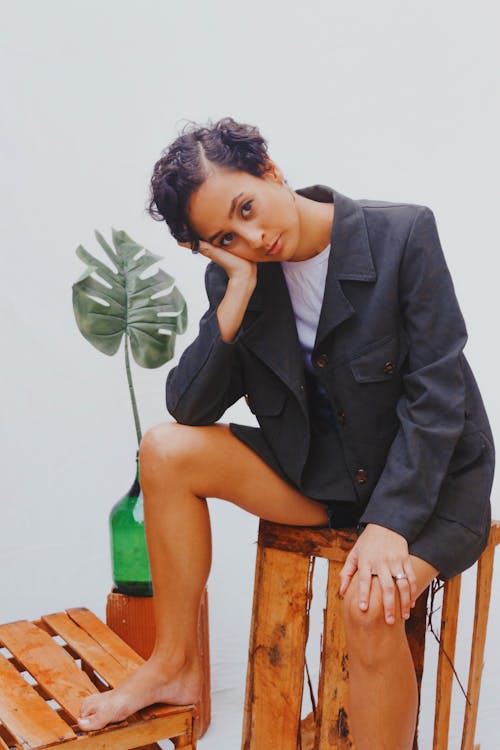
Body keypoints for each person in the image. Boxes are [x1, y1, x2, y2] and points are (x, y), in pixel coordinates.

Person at [77, 117, 495, 749]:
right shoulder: (238, 276)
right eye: (226, 235)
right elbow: (188, 408)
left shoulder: (402, 234)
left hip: (430, 490)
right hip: (323, 478)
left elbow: (438, 397)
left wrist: (389, 525)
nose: (254, 236)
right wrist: (237, 291)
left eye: (247, 207)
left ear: (268, 167)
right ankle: (174, 668)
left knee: (368, 604)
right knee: (165, 450)